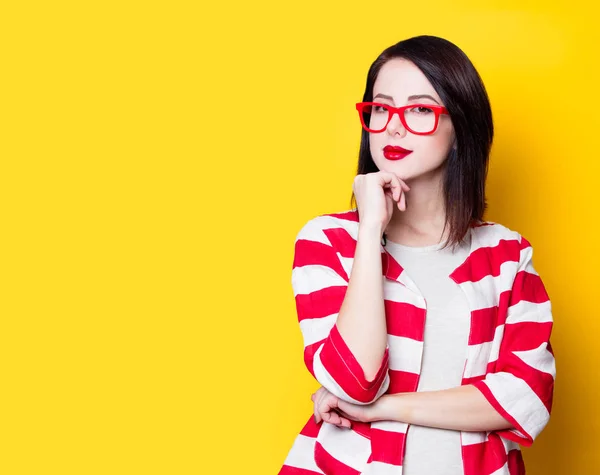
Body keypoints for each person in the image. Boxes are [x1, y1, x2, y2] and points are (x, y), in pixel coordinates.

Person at [278, 35, 555, 475]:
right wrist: (370, 231)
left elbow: (525, 396)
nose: (393, 126)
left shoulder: (506, 255)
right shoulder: (328, 240)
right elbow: (355, 381)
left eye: (421, 109)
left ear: (461, 126)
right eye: (382, 108)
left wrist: (383, 409)